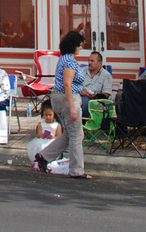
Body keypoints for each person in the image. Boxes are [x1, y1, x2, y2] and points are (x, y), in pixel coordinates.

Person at [33, 30, 90, 180]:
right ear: (74, 46)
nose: (81, 48)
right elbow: (67, 84)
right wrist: (72, 107)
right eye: (80, 45)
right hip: (67, 99)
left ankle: (43, 157)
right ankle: (76, 170)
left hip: (59, 98)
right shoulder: (69, 61)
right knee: (77, 135)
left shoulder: (63, 59)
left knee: (69, 134)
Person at [80, 50, 114, 118]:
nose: (89, 63)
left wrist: (95, 96)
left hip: (96, 100)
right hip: (80, 95)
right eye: (88, 60)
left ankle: (84, 123)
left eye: (92, 61)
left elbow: (107, 94)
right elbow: (73, 84)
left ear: (100, 63)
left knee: (86, 101)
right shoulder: (82, 71)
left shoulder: (106, 75)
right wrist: (80, 90)